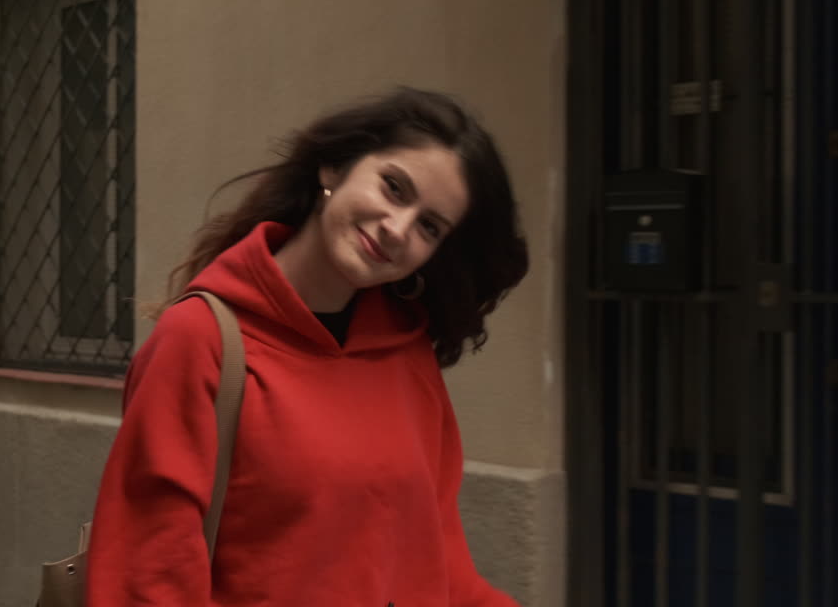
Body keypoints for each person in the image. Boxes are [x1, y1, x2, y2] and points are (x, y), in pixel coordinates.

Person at [85, 87, 529, 606]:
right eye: (393, 188)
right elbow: (149, 575)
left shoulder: (407, 355)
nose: (397, 228)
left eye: (429, 226)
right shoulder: (202, 339)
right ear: (334, 169)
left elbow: (440, 562)